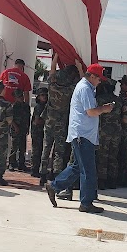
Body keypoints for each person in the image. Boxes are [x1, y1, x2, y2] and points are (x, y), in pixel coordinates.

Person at [45, 63, 114, 214]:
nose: (100, 81)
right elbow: (90, 112)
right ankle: (86, 203)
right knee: (88, 170)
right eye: (99, 79)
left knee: (78, 167)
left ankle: (55, 186)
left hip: (83, 134)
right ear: (92, 76)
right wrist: (104, 109)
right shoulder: (85, 89)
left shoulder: (87, 87)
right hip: (83, 135)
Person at [39, 57, 80, 185]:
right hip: (61, 124)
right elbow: (82, 82)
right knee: (59, 151)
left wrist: (56, 56)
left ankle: (42, 174)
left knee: (46, 148)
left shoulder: (52, 86)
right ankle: (56, 173)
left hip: (49, 122)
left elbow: (51, 71)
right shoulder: (70, 89)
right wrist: (79, 67)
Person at [95, 78, 122, 190]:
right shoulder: (119, 100)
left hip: (104, 131)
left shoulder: (100, 99)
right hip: (116, 132)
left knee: (102, 156)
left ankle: (101, 180)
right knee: (113, 156)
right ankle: (112, 181)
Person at [9, 88, 31, 171]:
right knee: (14, 147)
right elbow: (10, 119)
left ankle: (21, 163)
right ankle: (12, 163)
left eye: (21, 96)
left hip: (23, 129)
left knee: (22, 147)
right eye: (19, 96)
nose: (21, 98)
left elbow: (28, 117)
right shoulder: (13, 107)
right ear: (15, 97)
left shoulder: (26, 106)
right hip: (16, 129)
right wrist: (15, 127)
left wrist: (28, 128)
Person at [30, 87, 48, 177]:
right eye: (42, 95)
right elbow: (37, 121)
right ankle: (34, 169)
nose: (44, 97)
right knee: (36, 151)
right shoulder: (39, 107)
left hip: (41, 131)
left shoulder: (45, 106)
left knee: (41, 150)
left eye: (45, 95)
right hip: (37, 131)